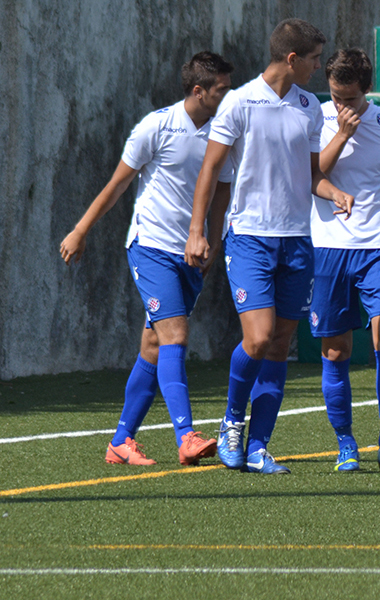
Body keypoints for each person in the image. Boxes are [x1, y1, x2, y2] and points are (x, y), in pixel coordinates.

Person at [187, 19, 356, 475]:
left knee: (280, 345)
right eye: (316, 59)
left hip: (298, 241)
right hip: (250, 239)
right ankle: (230, 423)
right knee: (258, 339)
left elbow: (313, 174)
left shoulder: (309, 107)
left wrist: (333, 191)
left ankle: (259, 446)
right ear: (292, 58)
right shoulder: (240, 102)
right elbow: (211, 169)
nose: (320, 68)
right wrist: (198, 230)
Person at [59, 51, 234, 467]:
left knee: (154, 346)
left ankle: (121, 440)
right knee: (175, 335)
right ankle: (186, 435)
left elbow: (220, 195)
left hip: (192, 255)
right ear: (199, 91)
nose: (230, 97)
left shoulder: (225, 133)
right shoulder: (156, 126)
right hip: (152, 247)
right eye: (223, 90)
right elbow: (117, 185)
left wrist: (214, 241)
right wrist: (80, 229)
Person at [308, 48, 380, 472]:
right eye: (334, 96)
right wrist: (343, 132)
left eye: (348, 98)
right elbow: (313, 175)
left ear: (366, 90)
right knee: (335, 351)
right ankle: (346, 442)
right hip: (328, 245)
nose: (340, 105)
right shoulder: (316, 117)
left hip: (379, 246)